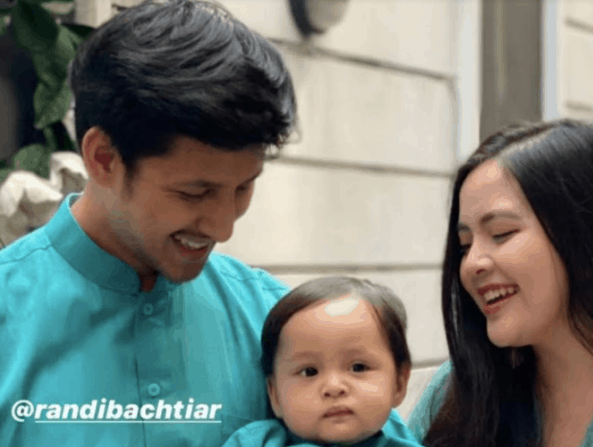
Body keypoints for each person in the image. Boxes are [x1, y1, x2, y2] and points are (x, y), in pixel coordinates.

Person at [0, 2, 418, 446]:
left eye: (243, 188)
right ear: (103, 158)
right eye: (195, 192)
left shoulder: (286, 329)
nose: (223, 228)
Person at [408, 119, 593, 447]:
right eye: (464, 246)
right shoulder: (452, 399)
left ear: (589, 233)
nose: (472, 263)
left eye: (501, 233)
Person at [223, 277, 419, 447]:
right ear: (275, 396)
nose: (334, 387)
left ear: (399, 384)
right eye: (309, 371)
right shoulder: (256, 442)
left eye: (358, 367)